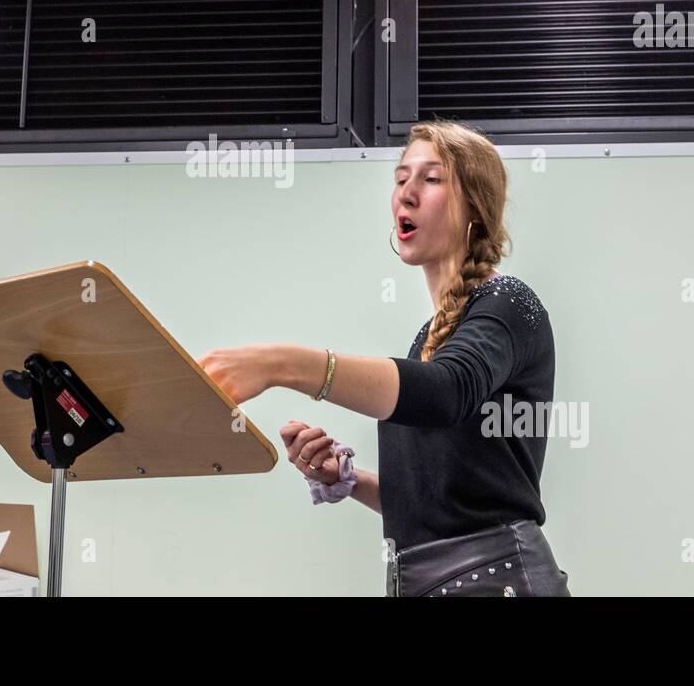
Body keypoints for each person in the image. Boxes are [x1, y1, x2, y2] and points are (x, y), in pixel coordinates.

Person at [199, 118, 570, 596]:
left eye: (431, 179)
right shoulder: (429, 341)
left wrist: (281, 365)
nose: (406, 194)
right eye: (400, 179)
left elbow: (445, 392)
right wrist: (348, 481)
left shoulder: (507, 304)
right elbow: (440, 505)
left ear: (476, 206)